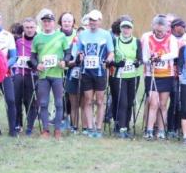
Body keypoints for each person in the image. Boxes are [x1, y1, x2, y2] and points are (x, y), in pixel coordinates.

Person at [72, 9, 114, 138]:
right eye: (91, 20)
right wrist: (80, 55)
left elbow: (111, 52)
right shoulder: (83, 35)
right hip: (86, 72)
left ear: (100, 21)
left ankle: (99, 127)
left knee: (100, 101)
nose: (93, 22)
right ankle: (90, 127)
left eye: (95, 20)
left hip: (100, 72)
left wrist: (108, 60)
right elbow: (78, 51)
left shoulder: (106, 34)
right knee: (88, 101)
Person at [30, 9, 71, 139]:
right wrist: (37, 65)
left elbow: (68, 53)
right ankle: (46, 130)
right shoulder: (37, 37)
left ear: (54, 23)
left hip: (57, 74)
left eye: (49, 21)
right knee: (43, 103)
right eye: (44, 22)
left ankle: (57, 130)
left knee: (59, 103)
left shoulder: (61, 36)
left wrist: (64, 61)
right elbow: (32, 57)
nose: (47, 24)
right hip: (43, 75)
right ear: (42, 23)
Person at [142, 14, 179, 140]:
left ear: (166, 29)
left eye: (161, 31)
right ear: (153, 27)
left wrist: (160, 57)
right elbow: (144, 58)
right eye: (157, 31)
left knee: (163, 104)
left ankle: (162, 130)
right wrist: (150, 60)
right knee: (153, 103)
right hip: (151, 74)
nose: (159, 33)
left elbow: (174, 54)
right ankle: (149, 129)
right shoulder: (148, 38)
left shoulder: (171, 39)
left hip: (166, 75)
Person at [112, 16, 142, 138]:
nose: (126, 30)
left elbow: (140, 58)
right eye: (124, 28)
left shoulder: (137, 41)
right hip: (119, 76)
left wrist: (137, 62)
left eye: (128, 28)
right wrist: (117, 63)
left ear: (131, 29)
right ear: (120, 29)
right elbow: (110, 59)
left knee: (130, 102)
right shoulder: (115, 41)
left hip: (133, 75)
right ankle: (121, 127)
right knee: (122, 101)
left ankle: (126, 126)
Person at [13, 17, 38, 135]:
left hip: (32, 73)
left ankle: (30, 125)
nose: (29, 30)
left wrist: (34, 63)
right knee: (17, 99)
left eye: (32, 27)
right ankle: (18, 123)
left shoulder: (38, 40)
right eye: (27, 27)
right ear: (23, 28)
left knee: (30, 100)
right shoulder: (19, 41)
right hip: (20, 73)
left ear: (35, 28)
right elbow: (14, 56)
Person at [167, 18, 186, 138]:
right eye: (182, 26)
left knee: (182, 101)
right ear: (175, 27)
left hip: (184, 74)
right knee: (173, 101)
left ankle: (180, 126)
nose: (184, 28)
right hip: (170, 73)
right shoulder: (168, 38)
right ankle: (171, 127)